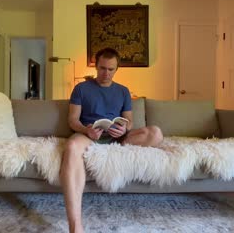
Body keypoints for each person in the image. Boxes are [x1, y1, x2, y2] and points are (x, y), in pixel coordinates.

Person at [59, 47, 164, 233]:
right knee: (72, 146)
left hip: (118, 138)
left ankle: (121, 146)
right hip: (89, 136)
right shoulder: (81, 89)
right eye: (102, 68)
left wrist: (125, 127)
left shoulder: (123, 91)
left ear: (117, 69)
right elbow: (72, 120)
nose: (106, 73)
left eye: (110, 69)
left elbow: (129, 120)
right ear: (95, 66)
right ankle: (75, 226)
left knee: (156, 133)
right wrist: (86, 130)